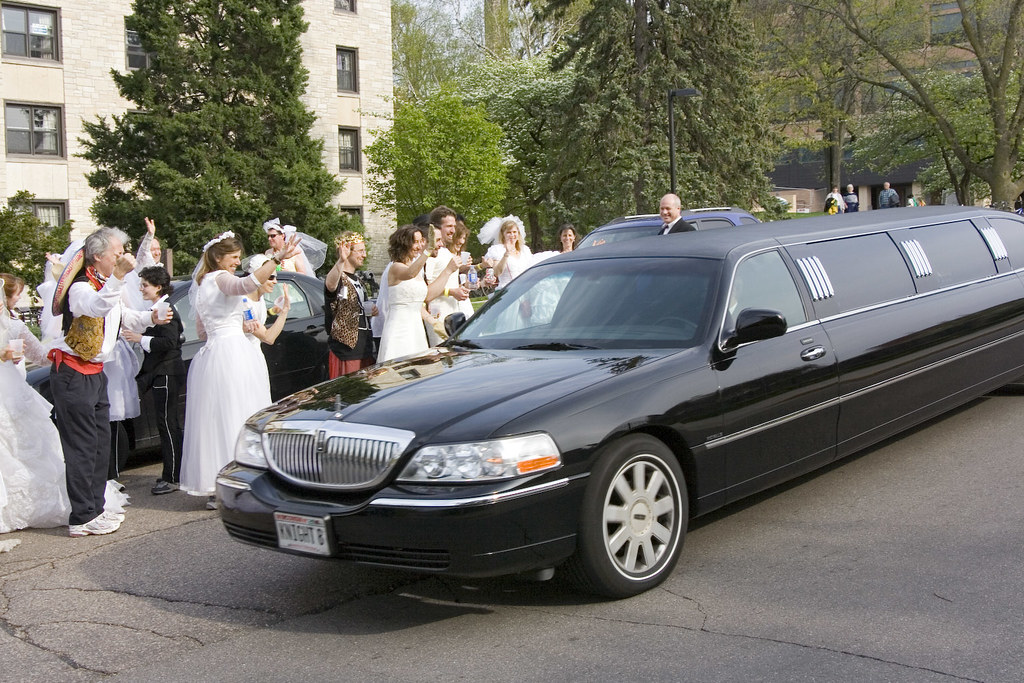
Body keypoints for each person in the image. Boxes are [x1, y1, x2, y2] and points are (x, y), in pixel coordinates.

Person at [49, 228, 171, 537]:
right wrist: (118, 277)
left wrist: (150, 319)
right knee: (81, 448)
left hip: (95, 373)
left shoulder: (106, 284)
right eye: (117, 252)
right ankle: (81, 516)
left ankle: (96, 509)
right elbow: (97, 307)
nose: (122, 256)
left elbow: (121, 317)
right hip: (73, 374)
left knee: (101, 445)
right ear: (98, 256)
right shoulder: (81, 288)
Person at [180, 231, 297, 509]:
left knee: (223, 417)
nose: (236, 262)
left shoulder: (205, 283)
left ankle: (234, 479)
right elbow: (247, 284)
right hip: (229, 355)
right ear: (217, 258)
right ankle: (233, 480)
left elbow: (201, 329)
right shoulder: (218, 278)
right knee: (232, 415)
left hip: (219, 351)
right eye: (233, 258)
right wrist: (277, 258)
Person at [0, 276, 71, 541]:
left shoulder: (16, 325)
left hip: (11, 389)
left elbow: (40, 355)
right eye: (16, 294)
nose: (18, 298)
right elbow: (41, 356)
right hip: (9, 388)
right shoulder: (15, 325)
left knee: (19, 443)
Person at [120, 266, 185, 495]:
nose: (141, 289)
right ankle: (175, 473)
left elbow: (169, 342)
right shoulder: (156, 308)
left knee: (167, 424)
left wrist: (140, 338)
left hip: (166, 372)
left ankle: (173, 476)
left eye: (145, 285)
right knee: (166, 424)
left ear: (158, 287)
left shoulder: (164, 308)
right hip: (159, 372)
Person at [377, 225, 458, 362]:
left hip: (416, 329)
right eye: (416, 242)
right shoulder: (395, 267)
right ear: (404, 244)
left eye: (421, 241)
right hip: (399, 329)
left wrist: (435, 323)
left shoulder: (416, 268)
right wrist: (428, 251)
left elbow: (417, 303)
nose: (420, 246)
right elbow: (410, 273)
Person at [324, 232, 376, 377]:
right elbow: (330, 284)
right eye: (360, 251)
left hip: (365, 347)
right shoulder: (338, 277)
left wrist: (371, 310)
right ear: (347, 252)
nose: (364, 255)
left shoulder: (359, 280)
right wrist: (341, 261)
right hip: (346, 351)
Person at [241, 254, 292, 352]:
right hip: (244, 352)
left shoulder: (260, 298)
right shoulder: (244, 303)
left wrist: (273, 311)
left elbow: (257, 319)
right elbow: (268, 338)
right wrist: (285, 311)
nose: (275, 281)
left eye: (275, 277)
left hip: (255, 351)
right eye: (271, 277)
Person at [482, 216, 533, 289]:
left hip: (526, 289)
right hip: (507, 289)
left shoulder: (525, 250)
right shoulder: (497, 250)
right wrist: (506, 254)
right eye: (509, 232)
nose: (512, 235)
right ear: (503, 234)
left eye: (514, 232)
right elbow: (497, 272)